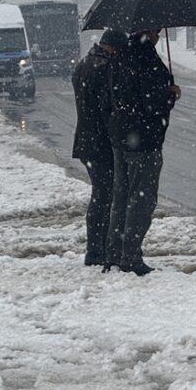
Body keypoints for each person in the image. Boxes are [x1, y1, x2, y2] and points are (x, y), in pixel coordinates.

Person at [105, 29, 181, 276]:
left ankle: (114, 252)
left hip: (122, 136)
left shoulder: (120, 55)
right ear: (146, 30)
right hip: (144, 139)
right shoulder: (145, 57)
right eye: (156, 29)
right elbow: (149, 101)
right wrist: (170, 95)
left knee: (122, 196)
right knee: (141, 199)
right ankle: (130, 255)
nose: (159, 33)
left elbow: (119, 96)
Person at [72, 29, 128, 267]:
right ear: (111, 47)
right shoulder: (103, 68)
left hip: (87, 141)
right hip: (101, 143)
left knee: (101, 195)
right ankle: (98, 251)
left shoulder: (84, 63)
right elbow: (108, 109)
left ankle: (97, 248)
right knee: (105, 196)